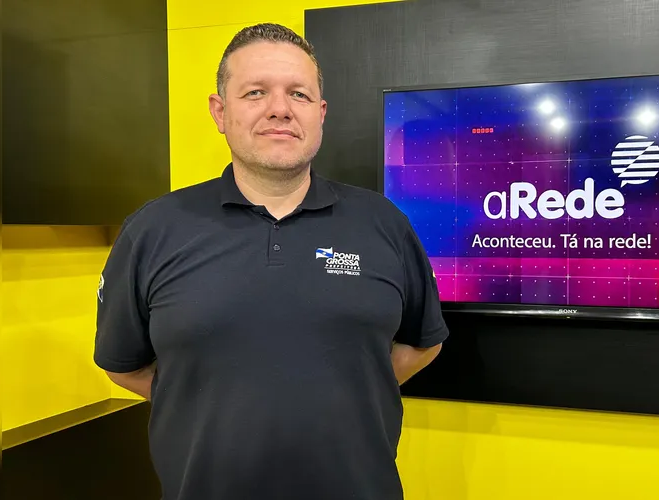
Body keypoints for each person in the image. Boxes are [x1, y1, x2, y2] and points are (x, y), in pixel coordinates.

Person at [93, 23, 448, 500]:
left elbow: (422, 343)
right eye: (255, 92)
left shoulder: (385, 223)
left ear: (320, 113)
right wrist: (201, 396)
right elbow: (123, 366)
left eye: (299, 94)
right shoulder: (152, 230)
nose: (280, 109)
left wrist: (353, 389)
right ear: (220, 111)